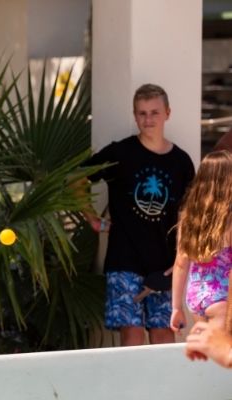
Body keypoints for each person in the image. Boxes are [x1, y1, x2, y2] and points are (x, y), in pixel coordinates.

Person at [84, 83, 195, 346]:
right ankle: (130, 389)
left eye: (154, 112)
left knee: (163, 336)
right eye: (142, 113)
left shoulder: (182, 162)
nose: (148, 119)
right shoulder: (120, 153)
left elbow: (189, 216)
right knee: (131, 337)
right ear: (135, 116)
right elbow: (76, 177)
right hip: (124, 261)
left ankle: (164, 389)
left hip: (165, 263)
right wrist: (91, 218)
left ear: (167, 113)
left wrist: (181, 259)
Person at [170, 150, 231, 335]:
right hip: (223, 298)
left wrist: (176, 308)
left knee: (209, 358)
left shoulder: (189, 217)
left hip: (195, 299)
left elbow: (180, 264)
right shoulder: (228, 219)